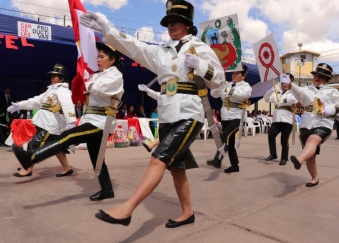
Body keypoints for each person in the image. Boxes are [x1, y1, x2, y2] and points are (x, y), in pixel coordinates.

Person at [80, 0, 224, 227]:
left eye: (176, 21)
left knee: (158, 159)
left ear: (188, 25)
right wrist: (109, 29)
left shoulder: (201, 49)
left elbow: (219, 82)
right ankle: (188, 213)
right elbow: (136, 48)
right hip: (167, 114)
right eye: (168, 22)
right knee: (177, 168)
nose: (171, 25)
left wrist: (202, 66)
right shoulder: (162, 52)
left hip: (189, 114)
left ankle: (127, 209)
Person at [12, 43, 124, 200]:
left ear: (112, 60)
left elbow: (98, 88)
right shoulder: (97, 75)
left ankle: (31, 157)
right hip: (91, 118)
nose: (98, 60)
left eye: (102, 57)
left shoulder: (115, 76)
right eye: (97, 56)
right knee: (97, 160)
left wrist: (86, 78)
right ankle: (107, 190)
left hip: (101, 122)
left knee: (68, 136)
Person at [282, 63, 339, 187]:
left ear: (326, 79)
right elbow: (297, 91)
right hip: (306, 123)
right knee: (310, 155)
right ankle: (314, 178)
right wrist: (289, 83)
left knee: (312, 140)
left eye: (321, 76)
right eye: (315, 75)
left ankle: (299, 160)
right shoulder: (306, 90)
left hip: (324, 122)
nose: (317, 77)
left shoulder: (332, 91)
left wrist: (331, 109)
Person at [8, 64, 75, 177]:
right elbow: (35, 101)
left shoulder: (64, 91)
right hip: (46, 122)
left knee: (35, 144)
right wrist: (19, 105)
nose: (52, 78)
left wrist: (71, 122)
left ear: (62, 78)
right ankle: (67, 168)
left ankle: (28, 169)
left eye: (55, 76)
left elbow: (68, 106)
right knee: (57, 147)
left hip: (52, 124)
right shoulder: (50, 91)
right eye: (52, 76)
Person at [207, 63, 252, 173]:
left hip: (238, 117)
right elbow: (214, 94)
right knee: (230, 143)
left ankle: (218, 158)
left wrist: (229, 90)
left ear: (243, 75)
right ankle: (235, 165)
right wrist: (220, 83)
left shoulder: (245, 86)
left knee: (225, 136)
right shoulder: (227, 84)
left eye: (237, 73)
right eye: (233, 73)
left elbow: (243, 95)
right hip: (226, 116)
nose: (234, 75)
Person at [263, 73, 297, 165]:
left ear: (291, 83)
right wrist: (271, 91)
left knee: (284, 139)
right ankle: (273, 154)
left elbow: (291, 100)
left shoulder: (294, 92)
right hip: (277, 119)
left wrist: (279, 101)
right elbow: (266, 99)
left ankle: (284, 158)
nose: (284, 85)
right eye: (282, 83)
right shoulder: (277, 92)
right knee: (271, 135)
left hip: (287, 119)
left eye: (286, 82)